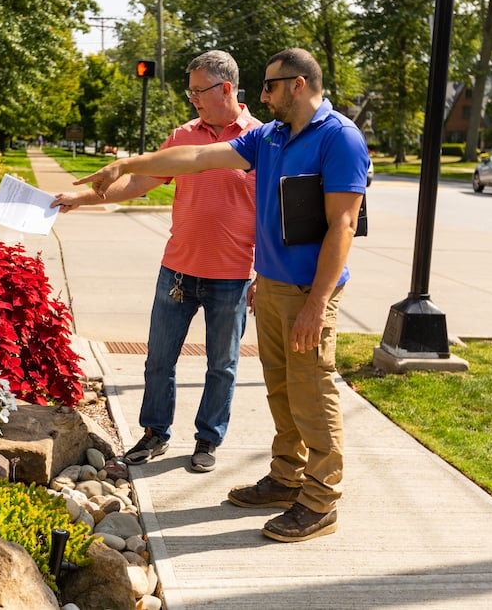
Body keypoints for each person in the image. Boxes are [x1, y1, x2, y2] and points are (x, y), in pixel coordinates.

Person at [73, 48, 369, 543]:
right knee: (281, 391)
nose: (264, 95)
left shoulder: (339, 137)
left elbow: (343, 222)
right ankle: (286, 477)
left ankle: (319, 502)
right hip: (272, 286)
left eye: (271, 86)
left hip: (308, 291)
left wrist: (317, 304)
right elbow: (197, 157)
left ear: (298, 84)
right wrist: (127, 162)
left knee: (313, 394)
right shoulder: (273, 136)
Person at [52, 50, 263, 473]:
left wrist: (264, 273)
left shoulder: (261, 138)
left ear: (226, 88)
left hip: (234, 276)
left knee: (222, 364)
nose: (192, 100)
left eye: (197, 91)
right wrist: (82, 198)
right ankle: (154, 434)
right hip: (178, 271)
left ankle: (207, 440)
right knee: (159, 359)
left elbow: (273, 213)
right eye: (189, 92)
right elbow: (139, 182)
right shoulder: (183, 136)